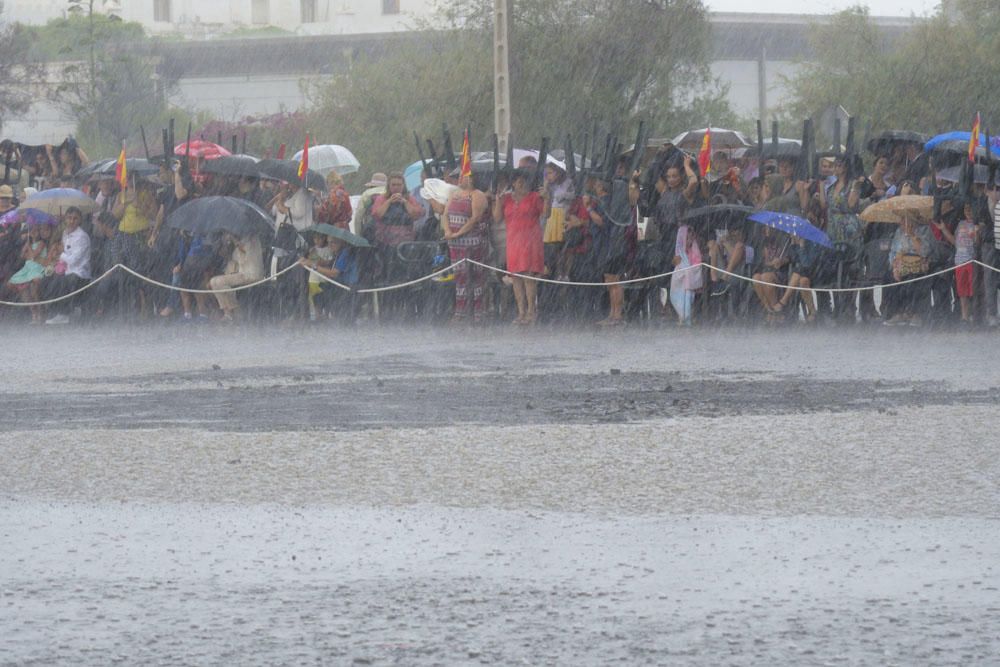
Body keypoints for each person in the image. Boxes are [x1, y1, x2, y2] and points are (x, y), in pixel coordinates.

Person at [493, 168, 547, 325]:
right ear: (513, 183)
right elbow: (497, 218)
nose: (522, 184)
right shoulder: (507, 199)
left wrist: (547, 198)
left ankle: (532, 311)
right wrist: (497, 200)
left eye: (524, 181)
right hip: (513, 242)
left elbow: (546, 214)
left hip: (531, 241)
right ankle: (521, 312)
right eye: (518, 181)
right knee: (515, 276)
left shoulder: (534, 197)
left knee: (529, 276)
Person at [443, 171, 489, 323]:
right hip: (455, 244)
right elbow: (445, 214)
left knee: (476, 278)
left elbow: (475, 218)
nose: (460, 179)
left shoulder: (477, 195)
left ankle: (478, 312)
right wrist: (448, 231)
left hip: (473, 242)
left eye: (463, 176)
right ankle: (460, 311)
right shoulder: (454, 194)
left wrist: (460, 233)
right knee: (460, 278)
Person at [42, 207, 91, 325]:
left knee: (62, 281)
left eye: (75, 218)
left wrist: (60, 253)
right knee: (46, 280)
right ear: (65, 219)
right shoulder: (65, 233)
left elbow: (73, 260)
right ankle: (55, 311)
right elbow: (65, 254)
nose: (72, 221)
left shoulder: (82, 237)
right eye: (69, 218)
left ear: (79, 220)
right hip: (66, 269)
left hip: (80, 272)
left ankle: (64, 314)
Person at [884, 214, 933, 326]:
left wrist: (912, 235)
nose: (902, 223)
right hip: (901, 263)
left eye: (905, 220)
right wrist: (894, 268)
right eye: (901, 220)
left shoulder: (924, 230)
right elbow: (893, 251)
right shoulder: (898, 232)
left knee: (913, 279)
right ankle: (897, 312)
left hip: (918, 264)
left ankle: (914, 313)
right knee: (888, 278)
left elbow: (924, 251)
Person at [934, 201, 978, 324]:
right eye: (966, 209)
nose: (968, 212)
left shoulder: (977, 224)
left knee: (972, 290)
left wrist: (977, 233)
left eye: (970, 209)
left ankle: (974, 315)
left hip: (972, 261)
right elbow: (955, 242)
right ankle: (964, 316)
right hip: (959, 261)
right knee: (962, 292)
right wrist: (943, 229)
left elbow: (978, 243)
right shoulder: (961, 224)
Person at [5, 223, 58, 324]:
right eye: (32, 231)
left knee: (34, 290)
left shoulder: (41, 243)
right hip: (27, 268)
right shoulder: (28, 243)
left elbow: (33, 256)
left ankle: (39, 313)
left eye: (36, 231)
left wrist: (29, 248)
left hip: (36, 268)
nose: (34, 232)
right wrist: (26, 247)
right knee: (15, 285)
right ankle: (33, 311)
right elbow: (23, 256)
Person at [208, 232, 264, 322]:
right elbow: (233, 258)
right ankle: (227, 312)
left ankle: (235, 310)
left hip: (252, 274)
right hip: (241, 273)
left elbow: (244, 250)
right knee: (213, 281)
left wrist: (233, 239)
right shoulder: (240, 241)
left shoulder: (253, 239)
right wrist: (225, 245)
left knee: (220, 282)